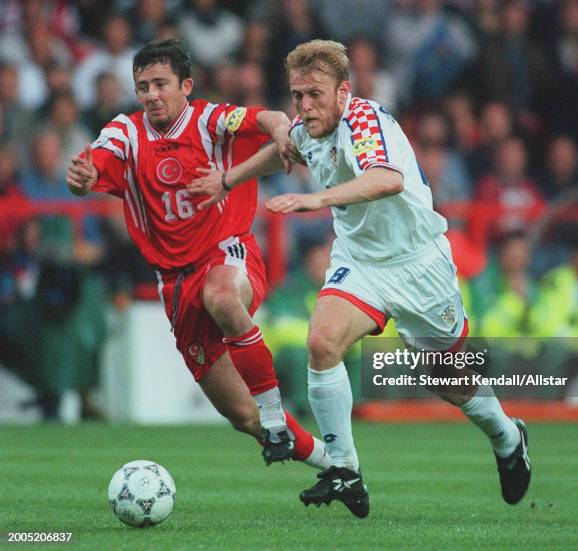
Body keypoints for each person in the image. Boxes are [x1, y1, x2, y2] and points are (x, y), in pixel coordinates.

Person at [189, 39, 532, 518]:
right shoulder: (309, 124)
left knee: (449, 379)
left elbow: (386, 178)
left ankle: (507, 435)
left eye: (315, 95)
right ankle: (344, 468)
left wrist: (316, 201)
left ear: (343, 92)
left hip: (418, 264)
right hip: (362, 261)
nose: (305, 106)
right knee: (322, 343)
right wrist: (229, 179)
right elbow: (283, 149)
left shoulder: (363, 119)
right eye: (297, 95)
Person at [66, 39, 330, 470]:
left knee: (222, 295)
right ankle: (334, 464)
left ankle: (272, 407)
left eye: (160, 84)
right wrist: (82, 178)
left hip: (227, 252)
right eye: (143, 86)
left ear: (186, 85)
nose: (151, 94)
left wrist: (282, 130)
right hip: (174, 283)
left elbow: (269, 117)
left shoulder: (210, 120)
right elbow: (90, 170)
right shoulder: (125, 133)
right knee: (241, 416)